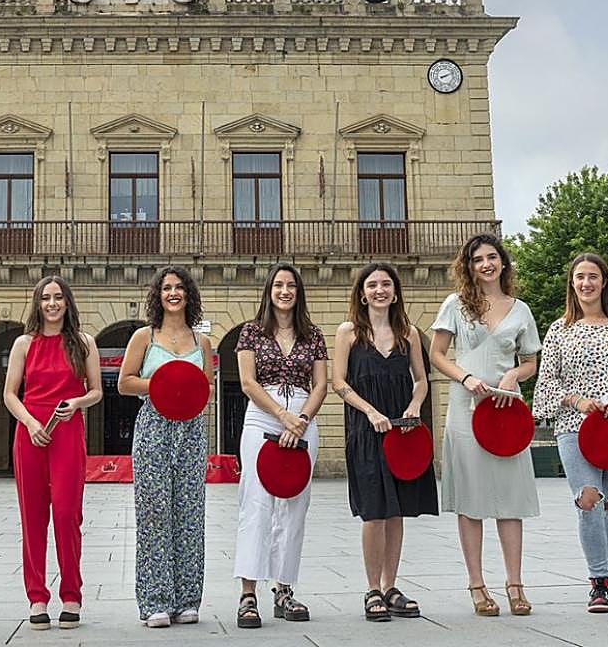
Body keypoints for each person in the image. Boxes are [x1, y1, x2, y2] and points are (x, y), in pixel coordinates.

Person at [532, 253, 608, 612]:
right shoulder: (560, 329)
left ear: (604, 282)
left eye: (593, 277)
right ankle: (598, 582)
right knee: (589, 499)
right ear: (572, 284)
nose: (586, 283)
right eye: (579, 277)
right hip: (576, 427)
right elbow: (546, 385)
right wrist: (576, 400)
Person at [429, 233, 541, 617]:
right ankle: (477, 585)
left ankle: (515, 583)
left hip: (507, 408)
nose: (486, 264)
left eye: (492, 257)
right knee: (471, 500)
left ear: (503, 263)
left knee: (510, 498)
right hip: (467, 407)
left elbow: (530, 361)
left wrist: (514, 376)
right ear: (469, 266)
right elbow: (437, 355)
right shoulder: (455, 305)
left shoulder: (520, 309)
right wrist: (464, 378)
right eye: (478, 259)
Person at [333, 262, 437, 621]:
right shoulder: (348, 332)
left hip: (402, 432)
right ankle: (372, 589)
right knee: (373, 512)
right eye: (373, 284)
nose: (380, 290)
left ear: (395, 291)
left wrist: (413, 407)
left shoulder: (408, 332)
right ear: (362, 293)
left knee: (397, 511)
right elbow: (339, 383)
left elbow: (422, 381)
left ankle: (391, 587)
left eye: (386, 284)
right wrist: (370, 412)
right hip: (366, 432)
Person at [232, 263, 328, 629]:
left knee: (294, 503)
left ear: (298, 292)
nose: (284, 291)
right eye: (278, 285)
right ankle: (248, 593)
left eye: (290, 285)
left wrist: (300, 420)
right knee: (256, 502)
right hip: (262, 415)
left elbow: (320, 385)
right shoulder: (251, 333)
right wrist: (281, 416)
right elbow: (246, 382)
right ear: (269, 291)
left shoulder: (313, 334)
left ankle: (284, 589)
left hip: (304, 414)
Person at [3, 276, 102, 630]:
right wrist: (30, 423)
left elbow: (96, 391)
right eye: (46, 298)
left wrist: (76, 402)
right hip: (30, 432)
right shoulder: (23, 344)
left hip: (67, 431)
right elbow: (10, 394)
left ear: (67, 303)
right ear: (37, 303)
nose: (52, 303)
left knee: (65, 513)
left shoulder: (83, 342)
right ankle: (37, 596)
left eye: (58, 297)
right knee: (32, 517)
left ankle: (71, 593)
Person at [118, 266, 214, 628]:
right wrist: (162, 383)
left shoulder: (201, 341)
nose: (173, 293)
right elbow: (125, 383)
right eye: (166, 288)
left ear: (189, 295)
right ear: (158, 296)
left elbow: (206, 389)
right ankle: (155, 601)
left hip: (189, 430)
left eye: (179, 288)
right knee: (154, 512)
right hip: (154, 427)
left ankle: (188, 598)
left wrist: (186, 389)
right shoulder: (145, 336)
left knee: (190, 514)